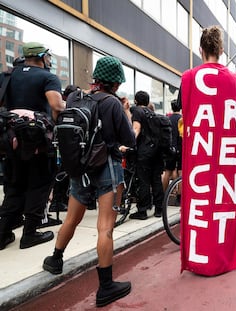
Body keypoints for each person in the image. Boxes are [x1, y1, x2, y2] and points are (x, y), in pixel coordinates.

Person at [42, 56, 136, 307]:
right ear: (115, 83)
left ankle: (55, 259)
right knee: (105, 227)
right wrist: (126, 110)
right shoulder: (112, 103)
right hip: (107, 167)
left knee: (72, 217)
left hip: (79, 167)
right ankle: (106, 287)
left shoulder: (74, 97)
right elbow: (130, 139)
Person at [178, 25, 236, 275]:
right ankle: (221, 256)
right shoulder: (235, 80)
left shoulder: (189, 77)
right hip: (225, 156)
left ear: (201, 50)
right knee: (222, 203)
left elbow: (186, 112)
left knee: (200, 202)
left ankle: (200, 257)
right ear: (220, 50)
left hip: (200, 154)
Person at [0, 42, 65, 250]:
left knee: (14, 186)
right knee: (39, 185)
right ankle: (30, 234)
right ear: (41, 57)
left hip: (12, 141)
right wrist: (63, 109)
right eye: (48, 56)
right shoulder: (47, 77)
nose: (49, 60)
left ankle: (3, 234)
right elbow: (56, 105)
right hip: (38, 142)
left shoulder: (7, 76)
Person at [130, 90, 164, 219]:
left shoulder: (138, 112)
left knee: (143, 181)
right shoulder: (153, 114)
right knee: (156, 180)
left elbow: (136, 129)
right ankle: (159, 209)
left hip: (144, 152)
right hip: (156, 151)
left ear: (136, 101)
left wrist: (128, 144)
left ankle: (143, 210)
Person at [49, 84, 80, 213]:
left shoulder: (65, 107)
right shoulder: (65, 107)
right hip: (63, 145)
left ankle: (60, 200)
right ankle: (57, 201)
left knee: (63, 172)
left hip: (63, 144)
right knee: (62, 173)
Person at [162, 99, 182, 192]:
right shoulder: (182, 119)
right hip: (180, 147)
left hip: (169, 148)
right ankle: (179, 195)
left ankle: (165, 193)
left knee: (168, 171)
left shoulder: (167, 119)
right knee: (180, 172)